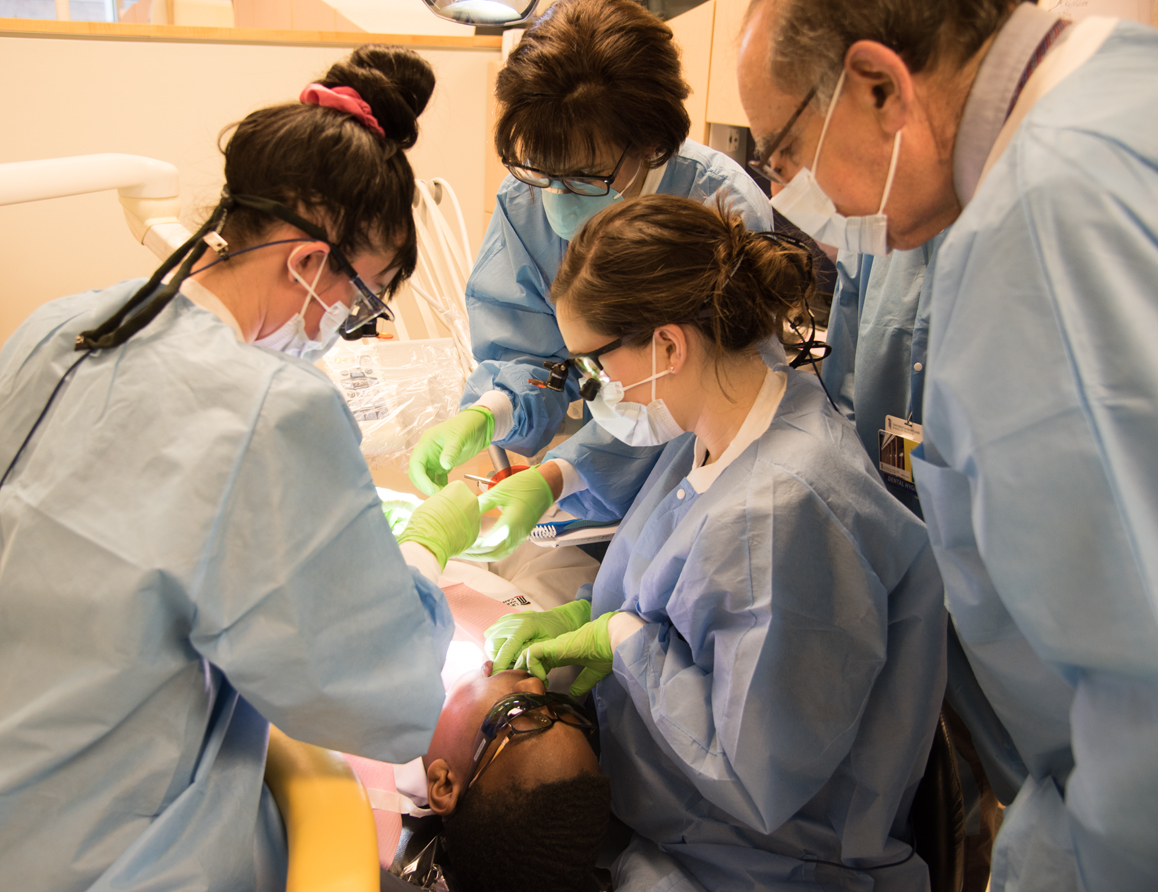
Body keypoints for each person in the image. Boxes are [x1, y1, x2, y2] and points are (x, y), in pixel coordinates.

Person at [0, 47, 484, 890]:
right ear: (307, 263)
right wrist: (418, 557)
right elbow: (379, 696)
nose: (347, 324)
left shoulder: (62, 323)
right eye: (361, 299)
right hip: (109, 848)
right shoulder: (269, 408)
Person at [738, 1, 1158, 890]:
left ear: (879, 86)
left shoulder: (1045, 216)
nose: (783, 195)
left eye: (781, 153)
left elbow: (1143, 696)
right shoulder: (1121, 92)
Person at [479, 194, 947, 891]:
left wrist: (623, 643)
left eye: (596, 368)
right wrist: (587, 617)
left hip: (762, 860)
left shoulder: (782, 512)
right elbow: (673, 594)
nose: (593, 392)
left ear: (669, 345)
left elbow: (761, 772)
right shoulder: (718, 419)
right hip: (669, 809)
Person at [407, 0, 775, 560]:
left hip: (693, 497)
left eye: (583, 174)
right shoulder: (525, 200)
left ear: (652, 143)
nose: (554, 197)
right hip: (594, 517)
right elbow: (535, 356)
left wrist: (565, 473)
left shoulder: (719, 207)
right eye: (540, 170)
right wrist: (495, 410)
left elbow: (701, 399)